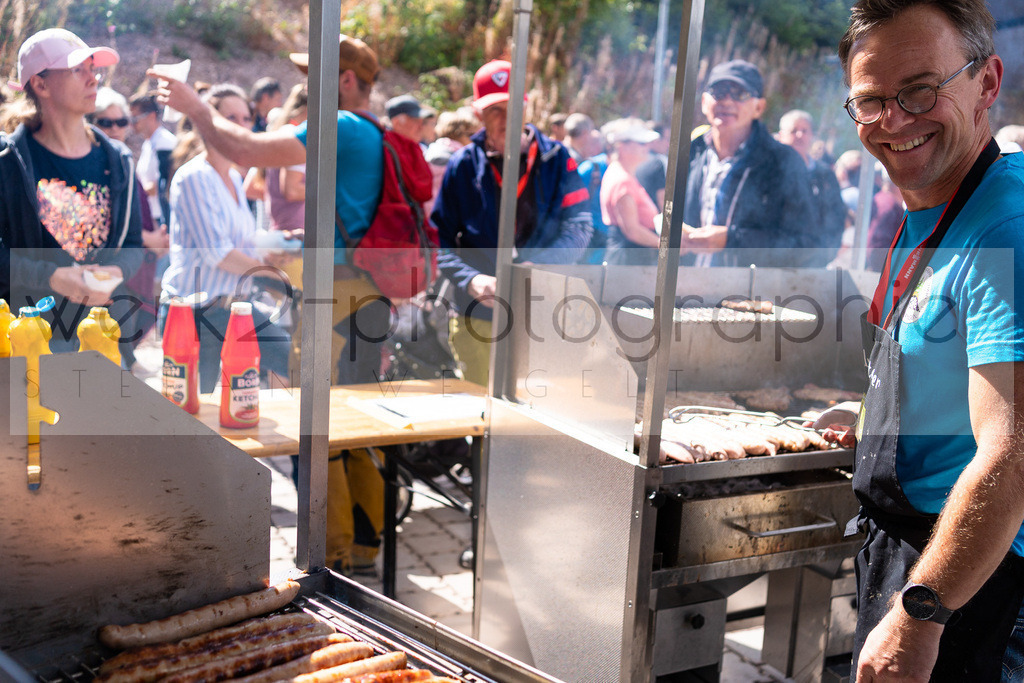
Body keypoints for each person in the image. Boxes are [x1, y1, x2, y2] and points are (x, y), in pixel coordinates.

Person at [817, 1, 1024, 679]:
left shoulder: (1005, 226)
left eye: (919, 91)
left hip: (977, 590)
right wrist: (874, 419)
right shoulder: (934, 203)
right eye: (871, 100)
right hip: (915, 556)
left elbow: (1013, 455)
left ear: (987, 83)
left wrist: (918, 615)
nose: (894, 120)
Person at [151, 35, 394, 578]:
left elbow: (250, 151)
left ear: (346, 81)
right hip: (361, 293)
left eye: (318, 74)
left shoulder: (343, 126)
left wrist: (195, 107)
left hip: (336, 295)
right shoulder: (375, 131)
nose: (307, 86)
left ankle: (329, 556)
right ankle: (363, 546)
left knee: (320, 422)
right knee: (352, 420)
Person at [430, 60, 593, 385]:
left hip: (544, 315)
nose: (507, 118)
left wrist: (538, 265)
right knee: (480, 416)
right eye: (495, 111)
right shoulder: (462, 165)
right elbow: (438, 241)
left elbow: (579, 228)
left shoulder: (558, 160)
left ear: (527, 107)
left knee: (537, 415)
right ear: (479, 114)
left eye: (512, 106)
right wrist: (471, 280)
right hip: (475, 315)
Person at [0, 28, 143, 355]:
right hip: (31, 343)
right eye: (78, 70)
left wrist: (115, 271)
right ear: (40, 84)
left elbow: (133, 244)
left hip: (105, 337)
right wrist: (52, 277)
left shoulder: (119, 160)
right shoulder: (7, 162)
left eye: (93, 69)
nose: (93, 79)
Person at [158, 83, 292, 394]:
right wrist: (277, 277)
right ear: (208, 121)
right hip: (194, 314)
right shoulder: (193, 176)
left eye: (246, 118)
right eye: (231, 117)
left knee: (288, 361)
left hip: (233, 309)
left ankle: (277, 441)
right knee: (189, 413)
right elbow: (218, 254)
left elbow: (240, 242)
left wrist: (275, 247)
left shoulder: (233, 175)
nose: (241, 125)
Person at [681, 60, 816, 267]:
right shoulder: (691, 151)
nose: (727, 101)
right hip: (688, 289)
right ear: (704, 101)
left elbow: (804, 243)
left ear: (759, 107)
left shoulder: (782, 161)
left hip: (750, 294)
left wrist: (732, 240)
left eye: (740, 94)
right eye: (719, 91)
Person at [87, 87, 169, 367]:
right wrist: (150, 238)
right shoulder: (89, 164)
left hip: (131, 269)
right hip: (104, 278)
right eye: (105, 122)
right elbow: (103, 222)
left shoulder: (122, 161)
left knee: (124, 355)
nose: (114, 128)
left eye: (121, 122)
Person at [776, 109, 847, 265]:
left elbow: (837, 215)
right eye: (794, 131)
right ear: (781, 136)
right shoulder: (770, 172)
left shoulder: (825, 174)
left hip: (816, 264)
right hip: (777, 262)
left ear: (812, 136)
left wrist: (827, 252)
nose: (800, 135)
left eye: (804, 131)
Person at [600, 118, 662, 265]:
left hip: (630, 260)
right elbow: (632, 231)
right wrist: (666, 247)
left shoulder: (621, 174)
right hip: (628, 262)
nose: (647, 147)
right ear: (622, 146)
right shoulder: (622, 179)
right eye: (641, 143)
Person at [130, 92, 176, 228]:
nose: (132, 124)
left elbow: (164, 183)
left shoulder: (165, 143)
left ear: (151, 116)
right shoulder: (149, 143)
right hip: (151, 216)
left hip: (162, 218)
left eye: (135, 119)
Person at [424, 106, 478, 217]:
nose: (475, 139)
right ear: (459, 134)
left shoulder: (436, 149)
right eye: (471, 134)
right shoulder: (451, 158)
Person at [634, 121, 671, 210]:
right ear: (655, 140)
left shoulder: (633, 159)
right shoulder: (660, 161)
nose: (668, 144)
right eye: (667, 139)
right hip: (652, 219)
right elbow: (663, 199)